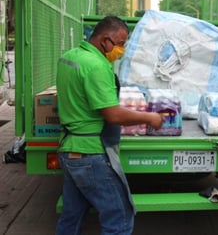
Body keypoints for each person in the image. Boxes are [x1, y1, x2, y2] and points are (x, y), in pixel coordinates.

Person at [55, 16, 164, 235]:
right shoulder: (97, 66)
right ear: (106, 40)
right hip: (90, 154)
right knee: (120, 218)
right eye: (120, 43)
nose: (121, 50)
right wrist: (150, 118)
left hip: (69, 150)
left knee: (72, 216)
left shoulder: (69, 57)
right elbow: (113, 114)